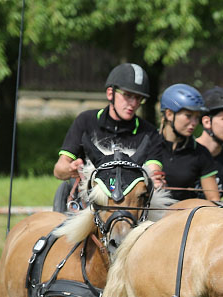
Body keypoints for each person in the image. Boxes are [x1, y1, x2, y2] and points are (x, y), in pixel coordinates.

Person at [52, 63, 163, 211]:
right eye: (127, 95)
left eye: (138, 98)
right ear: (110, 93)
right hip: (88, 205)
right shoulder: (85, 121)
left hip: (131, 207)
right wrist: (70, 168)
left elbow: (153, 170)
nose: (134, 103)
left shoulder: (149, 133)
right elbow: (58, 170)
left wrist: (155, 179)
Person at [156, 83, 221, 201]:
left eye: (197, 117)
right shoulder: (148, 144)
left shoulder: (201, 153)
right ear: (169, 114)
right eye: (188, 115)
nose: (194, 122)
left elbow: (214, 200)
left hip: (183, 217)